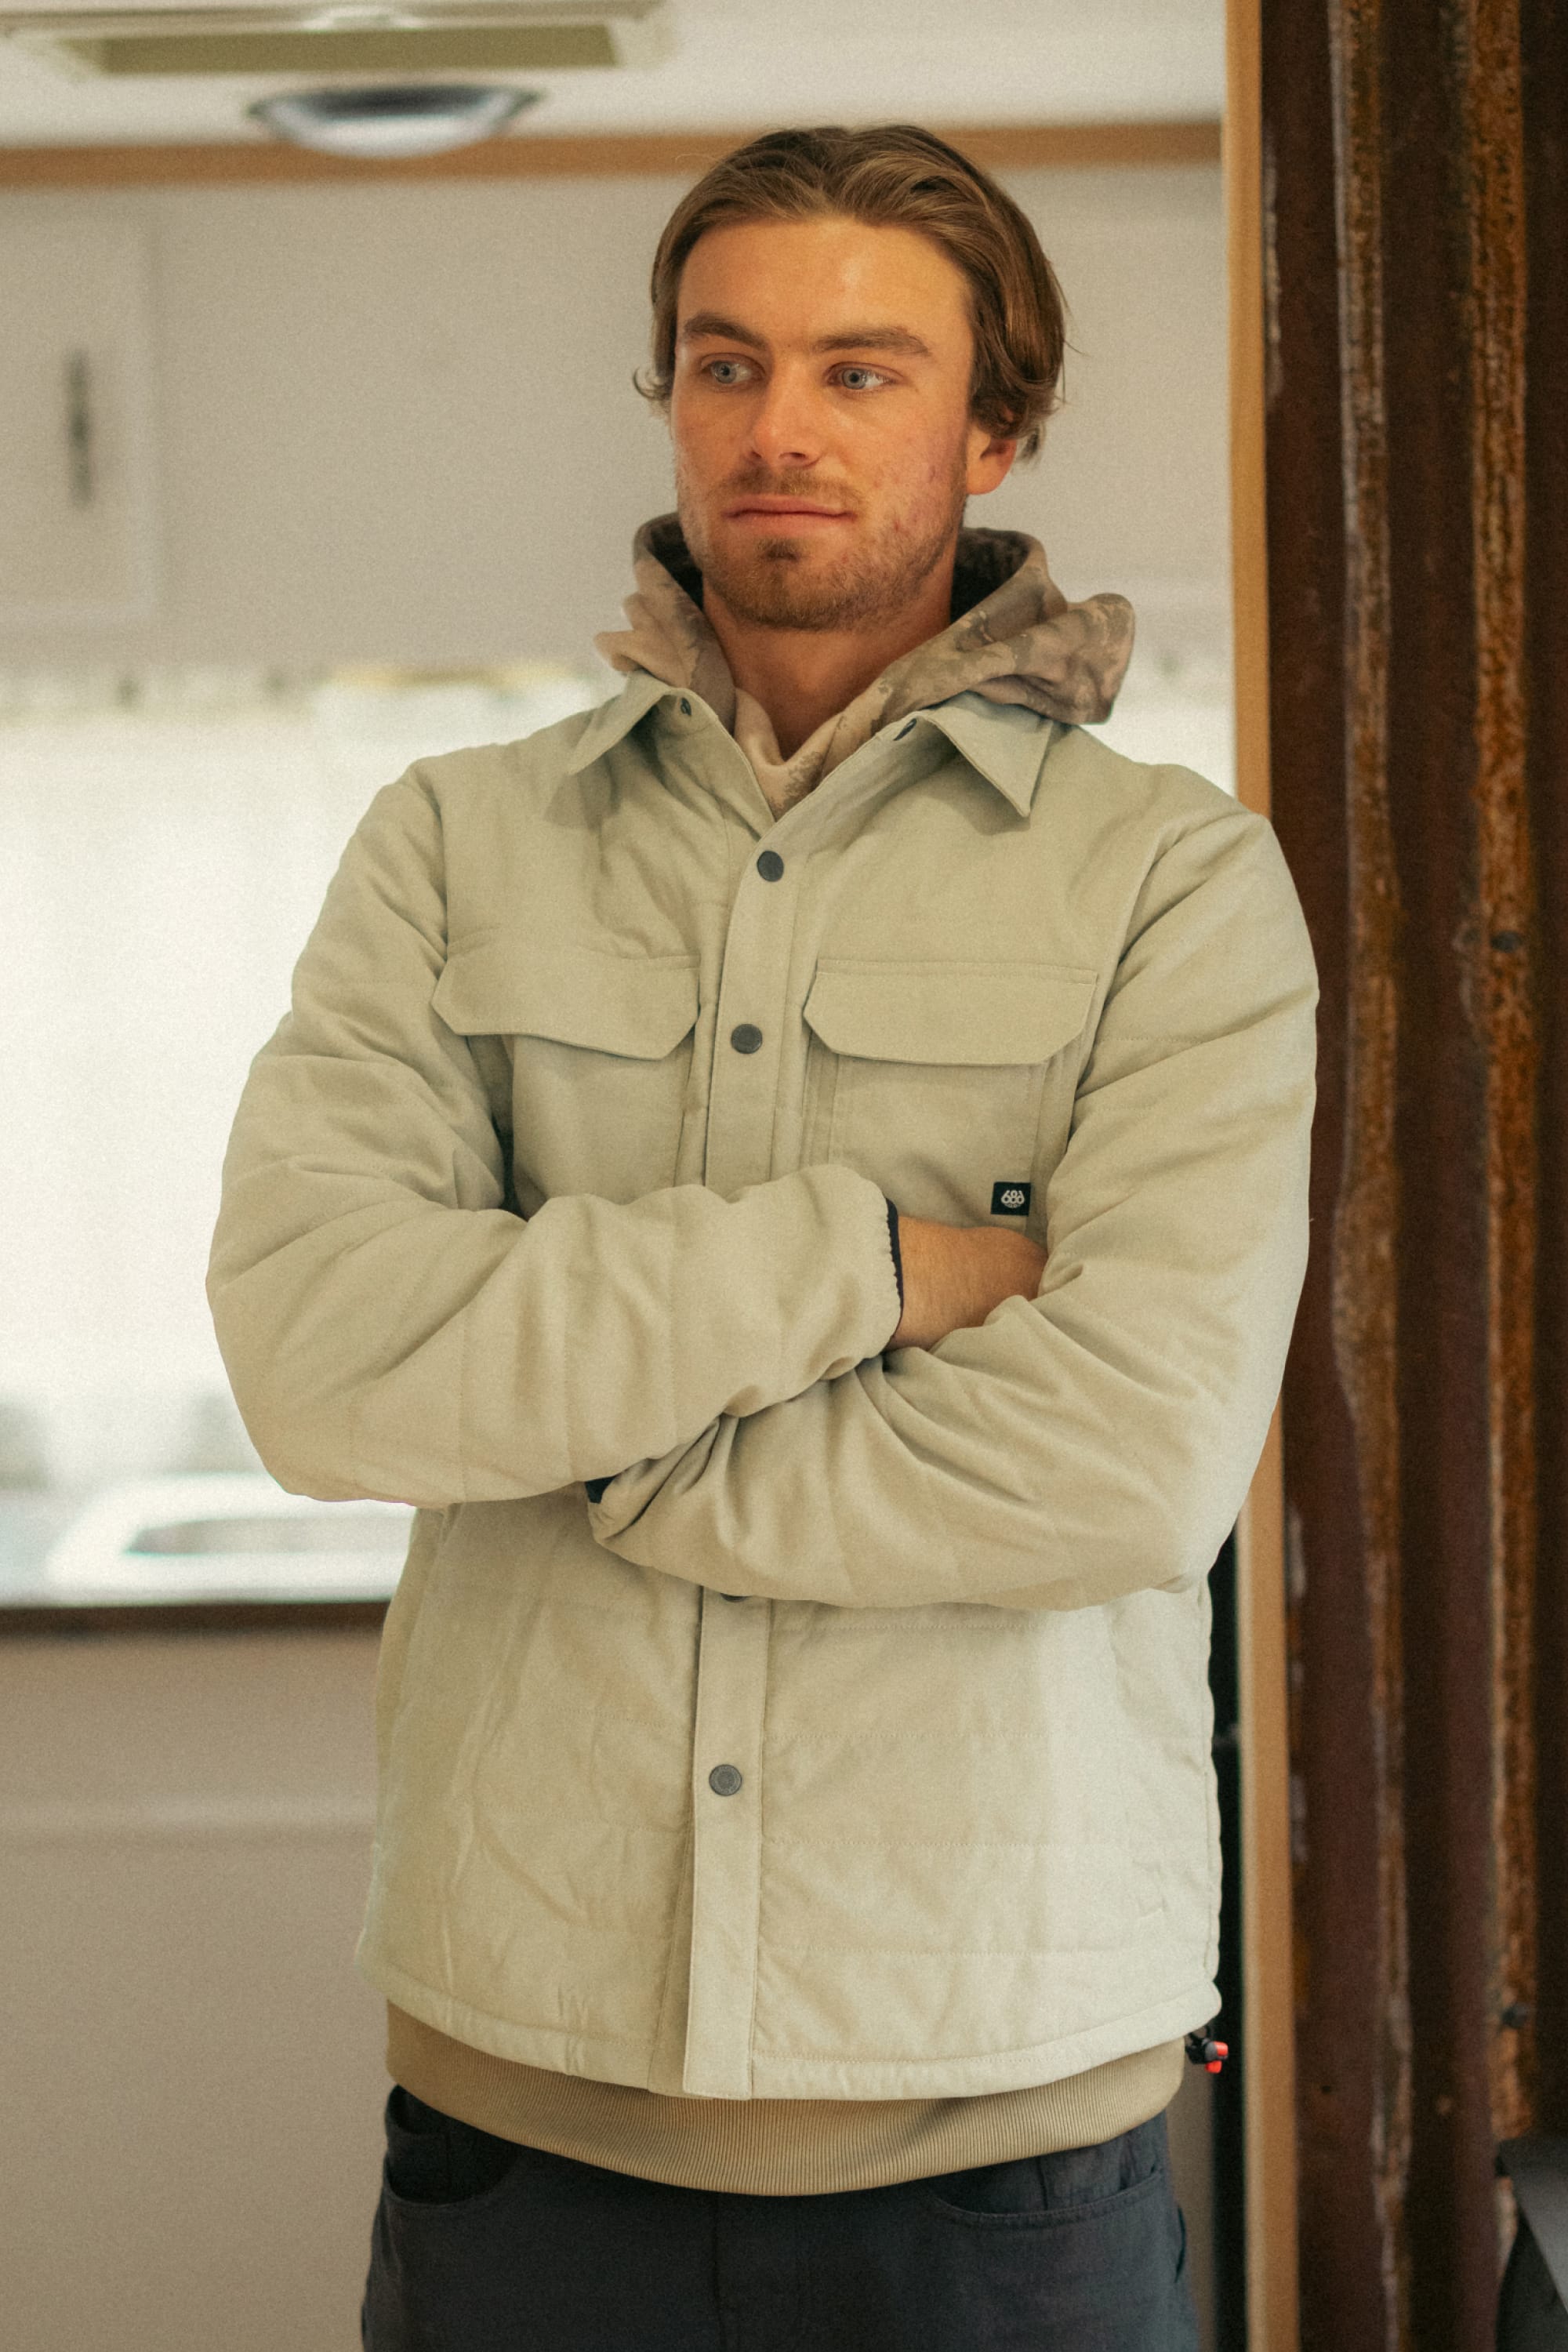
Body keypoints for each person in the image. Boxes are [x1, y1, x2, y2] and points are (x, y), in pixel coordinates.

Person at [209, 123, 1316, 2351]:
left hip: (1005, 2142)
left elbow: (1131, 1460)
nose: (779, 425)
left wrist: (613, 1449)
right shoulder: (450, 846)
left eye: (862, 370)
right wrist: (880, 1273)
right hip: (520, 2121)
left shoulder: (1173, 888)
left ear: (996, 427)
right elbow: (323, 1361)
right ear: (670, 401)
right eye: (724, 364)